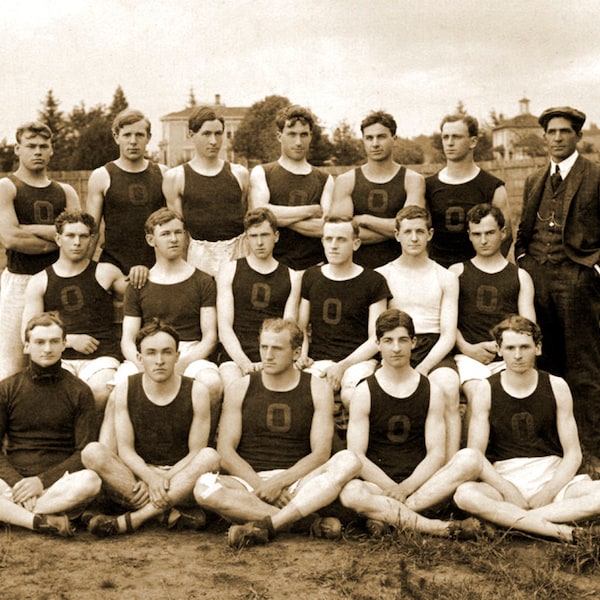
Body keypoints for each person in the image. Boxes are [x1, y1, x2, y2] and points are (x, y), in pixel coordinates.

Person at [194, 318, 361, 548]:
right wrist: (261, 486)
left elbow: (321, 453)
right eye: (264, 347)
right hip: (250, 482)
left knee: (348, 460)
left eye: (277, 348)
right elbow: (226, 450)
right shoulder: (241, 387)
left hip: (299, 482)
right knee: (204, 487)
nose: (268, 355)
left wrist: (281, 481)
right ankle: (305, 522)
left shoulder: (316, 387)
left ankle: (267, 525)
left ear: (297, 352)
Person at [449, 316, 600, 542]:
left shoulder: (556, 386)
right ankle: (559, 530)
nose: (517, 355)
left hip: (551, 474)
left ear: (537, 348)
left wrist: (548, 491)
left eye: (525, 347)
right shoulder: (485, 389)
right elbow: (477, 455)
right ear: (499, 350)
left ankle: (512, 522)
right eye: (510, 348)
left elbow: (573, 453)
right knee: (465, 495)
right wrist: (508, 491)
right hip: (505, 476)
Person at [339, 309, 482, 539]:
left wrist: (405, 488)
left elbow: (436, 454)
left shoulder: (431, 390)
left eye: (403, 340)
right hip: (379, 484)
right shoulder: (364, 391)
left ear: (413, 342)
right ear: (377, 344)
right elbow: (357, 456)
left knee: (469, 460)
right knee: (351, 493)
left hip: (421, 484)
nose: (396, 348)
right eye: (388, 341)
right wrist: (391, 488)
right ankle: (437, 527)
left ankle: (386, 516)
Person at [515, 106, 600, 473]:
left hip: (577, 280)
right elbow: (524, 228)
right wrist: (523, 258)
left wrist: (593, 268)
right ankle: (553, 450)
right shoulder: (536, 179)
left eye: (566, 131)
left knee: (583, 367)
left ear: (578, 136)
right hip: (538, 279)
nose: (558, 137)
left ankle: (592, 452)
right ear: (544, 136)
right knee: (544, 364)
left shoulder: (595, 176)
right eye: (552, 131)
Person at [81, 320, 219, 536]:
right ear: (139, 358)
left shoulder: (196, 390)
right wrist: (150, 478)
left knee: (210, 456)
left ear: (177, 355)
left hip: (180, 477)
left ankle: (136, 517)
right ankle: (168, 512)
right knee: (92, 452)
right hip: (138, 475)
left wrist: (163, 481)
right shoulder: (126, 388)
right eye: (151, 353)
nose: (159, 360)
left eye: (166, 352)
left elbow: (195, 452)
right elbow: (126, 450)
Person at [117, 208, 222, 438]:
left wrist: (182, 361)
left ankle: (204, 446)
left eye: (178, 232)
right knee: (114, 389)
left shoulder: (203, 281)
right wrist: (140, 361)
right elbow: (128, 338)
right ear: (150, 239)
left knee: (212, 383)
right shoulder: (139, 284)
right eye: (165, 234)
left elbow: (210, 337)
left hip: (190, 352)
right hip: (148, 353)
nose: (174, 239)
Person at [0, 312, 101, 537]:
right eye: (39, 342)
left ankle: (18, 515)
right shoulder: (7, 388)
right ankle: (39, 520)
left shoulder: (79, 391)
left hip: (58, 483)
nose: (47, 348)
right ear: (26, 346)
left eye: (54, 341)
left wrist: (41, 482)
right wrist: (20, 484)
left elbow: (83, 452)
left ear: (65, 344)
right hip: (13, 483)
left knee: (91, 481)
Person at [22, 210, 128, 420]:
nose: (77, 242)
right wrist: (69, 340)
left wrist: (140, 272)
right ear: (58, 239)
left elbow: (140, 292)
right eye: (71, 236)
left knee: (99, 392)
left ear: (91, 239)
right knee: (57, 398)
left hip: (101, 357)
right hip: (59, 357)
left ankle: (92, 448)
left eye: (83, 236)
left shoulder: (106, 272)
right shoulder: (40, 280)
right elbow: (27, 332)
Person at [376, 206, 460, 459]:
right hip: (395, 345)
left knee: (447, 385)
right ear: (397, 234)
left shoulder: (445, 277)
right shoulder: (383, 275)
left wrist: (423, 368)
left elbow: (448, 334)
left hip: (433, 348)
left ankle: (450, 465)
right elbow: (378, 330)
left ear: (430, 234)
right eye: (408, 232)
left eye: (420, 231)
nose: (414, 238)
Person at [0, 121, 79, 380]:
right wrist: (57, 240)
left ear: (51, 150)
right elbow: (11, 238)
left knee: (56, 359)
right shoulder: (7, 187)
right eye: (31, 146)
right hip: (19, 281)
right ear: (17, 149)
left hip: (56, 281)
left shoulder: (65, 192)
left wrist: (29, 228)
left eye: (43, 146)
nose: (37, 151)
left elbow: (78, 238)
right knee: (11, 363)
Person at [449, 204, 535, 425]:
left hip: (509, 358)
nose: (484, 240)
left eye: (490, 233)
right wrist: (468, 348)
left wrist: (505, 350)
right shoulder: (457, 272)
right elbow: (447, 324)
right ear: (469, 236)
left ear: (503, 233)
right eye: (477, 234)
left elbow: (529, 328)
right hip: (469, 357)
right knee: (479, 394)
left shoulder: (520, 276)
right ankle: (472, 456)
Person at [298, 217, 390, 410]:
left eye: (341, 239)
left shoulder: (373, 281)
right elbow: (301, 327)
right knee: (306, 398)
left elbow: (376, 339)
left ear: (355, 244)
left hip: (358, 361)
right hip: (318, 361)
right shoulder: (311, 276)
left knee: (353, 396)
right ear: (322, 241)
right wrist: (303, 355)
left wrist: (343, 366)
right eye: (328, 239)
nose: (333, 245)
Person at [217, 207, 302, 388]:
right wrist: (245, 363)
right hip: (235, 357)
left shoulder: (292, 276)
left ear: (276, 237)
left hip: (275, 355)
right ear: (247, 238)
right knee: (235, 387)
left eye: (264, 235)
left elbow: (289, 327)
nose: (259, 242)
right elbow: (224, 327)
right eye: (253, 236)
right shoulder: (230, 270)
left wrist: (272, 361)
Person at [330, 110, 425, 268]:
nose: (375, 143)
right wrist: (397, 231)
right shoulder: (346, 181)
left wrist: (364, 219)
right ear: (363, 141)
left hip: (402, 269)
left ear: (394, 139)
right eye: (369, 138)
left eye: (381, 137)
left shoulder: (412, 180)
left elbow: (413, 229)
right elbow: (340, 233)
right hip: (356, 269)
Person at [162, 106, 249, 277]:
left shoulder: (239, 174)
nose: (213, 141)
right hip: (199, 258)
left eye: (218, 134)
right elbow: (179, 231)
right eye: (206, 133)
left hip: (236, 256)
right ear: (191, 135)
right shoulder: (176, 177)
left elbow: (247, 220)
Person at [87, 109, 166, 288]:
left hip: (155, 262)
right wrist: (84, 271)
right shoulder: (102, 176)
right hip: (113, 262)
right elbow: (92, 231)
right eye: (127, 135)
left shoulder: (163, 173)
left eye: (139, 135)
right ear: (116, 137)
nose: (133, 141)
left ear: (148, 137)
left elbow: (173, 228)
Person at [249, 105, 334, 271]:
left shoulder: (325, 179)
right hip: (273, 269)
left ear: (310, 136)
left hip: (314, 268)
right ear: (280, 136)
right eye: (292, 134)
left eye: (304, 135)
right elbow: (260, 219)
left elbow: (325, 228)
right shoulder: (263, 172)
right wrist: (311, 210)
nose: (298, 142)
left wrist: (277, 218)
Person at [425, 113, 512, 268]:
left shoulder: (492, 187)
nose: (449, 143)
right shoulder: (428, 185)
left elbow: (505, 236)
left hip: (475, 277)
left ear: (473, 141)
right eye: (446, 137)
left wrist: (486, 270)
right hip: (438, 274)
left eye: (457, 137)